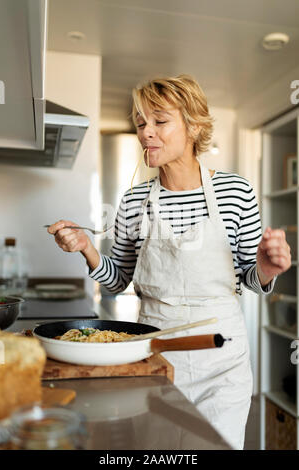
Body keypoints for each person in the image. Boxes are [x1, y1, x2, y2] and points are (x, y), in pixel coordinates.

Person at [47, 75, 291, 450]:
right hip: (156, 354)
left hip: (221, 361)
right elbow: (117, 281)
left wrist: (268, 269)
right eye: (141, 122)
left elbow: (251, 280)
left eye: (160, 121)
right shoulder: (133, 201)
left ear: (193, 126)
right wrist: (87, 249)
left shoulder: (236, 191)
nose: (147, 133)